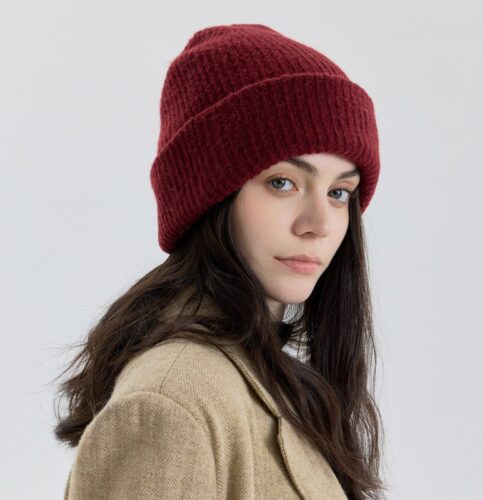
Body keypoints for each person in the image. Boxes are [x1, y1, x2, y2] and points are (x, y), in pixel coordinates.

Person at [54, 23, 387, 500]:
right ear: (211, 197)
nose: (319, 223)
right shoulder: (169, 407)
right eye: (282, 182)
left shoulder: (273, 388)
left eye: (339, 192)